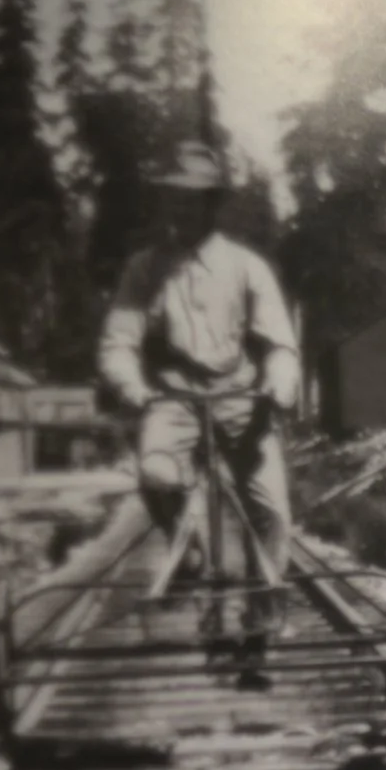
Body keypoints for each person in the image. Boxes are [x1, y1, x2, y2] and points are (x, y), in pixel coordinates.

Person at [98, 141, 301, 680]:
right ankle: (187, 556)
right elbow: (119, 340)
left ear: (215, 205)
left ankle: (259, 628)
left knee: (272, 507)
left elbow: (281, 343)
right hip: (173, 398)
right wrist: (132, 386)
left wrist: (278, 387)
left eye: (196, 200)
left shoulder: (245, 267)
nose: (184, 209)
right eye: (176, 199)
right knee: (157, 473)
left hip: (239, 396)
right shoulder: (146, 269)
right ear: (167, 204)